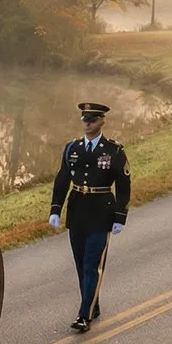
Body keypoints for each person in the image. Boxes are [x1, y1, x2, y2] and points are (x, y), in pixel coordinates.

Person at [48, 101, 130, 332]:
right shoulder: (72, 148)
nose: (87, 123)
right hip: (77, 212)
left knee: (91, 266)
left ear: (102, 121)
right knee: (80, 264)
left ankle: (84, 315)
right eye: (84, 119)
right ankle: (93, 304)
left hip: (101, 213)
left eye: (92, 120)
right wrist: (55, 209)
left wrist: (120, 217)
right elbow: (62, 179)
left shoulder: (114, 151)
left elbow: (123, 186)